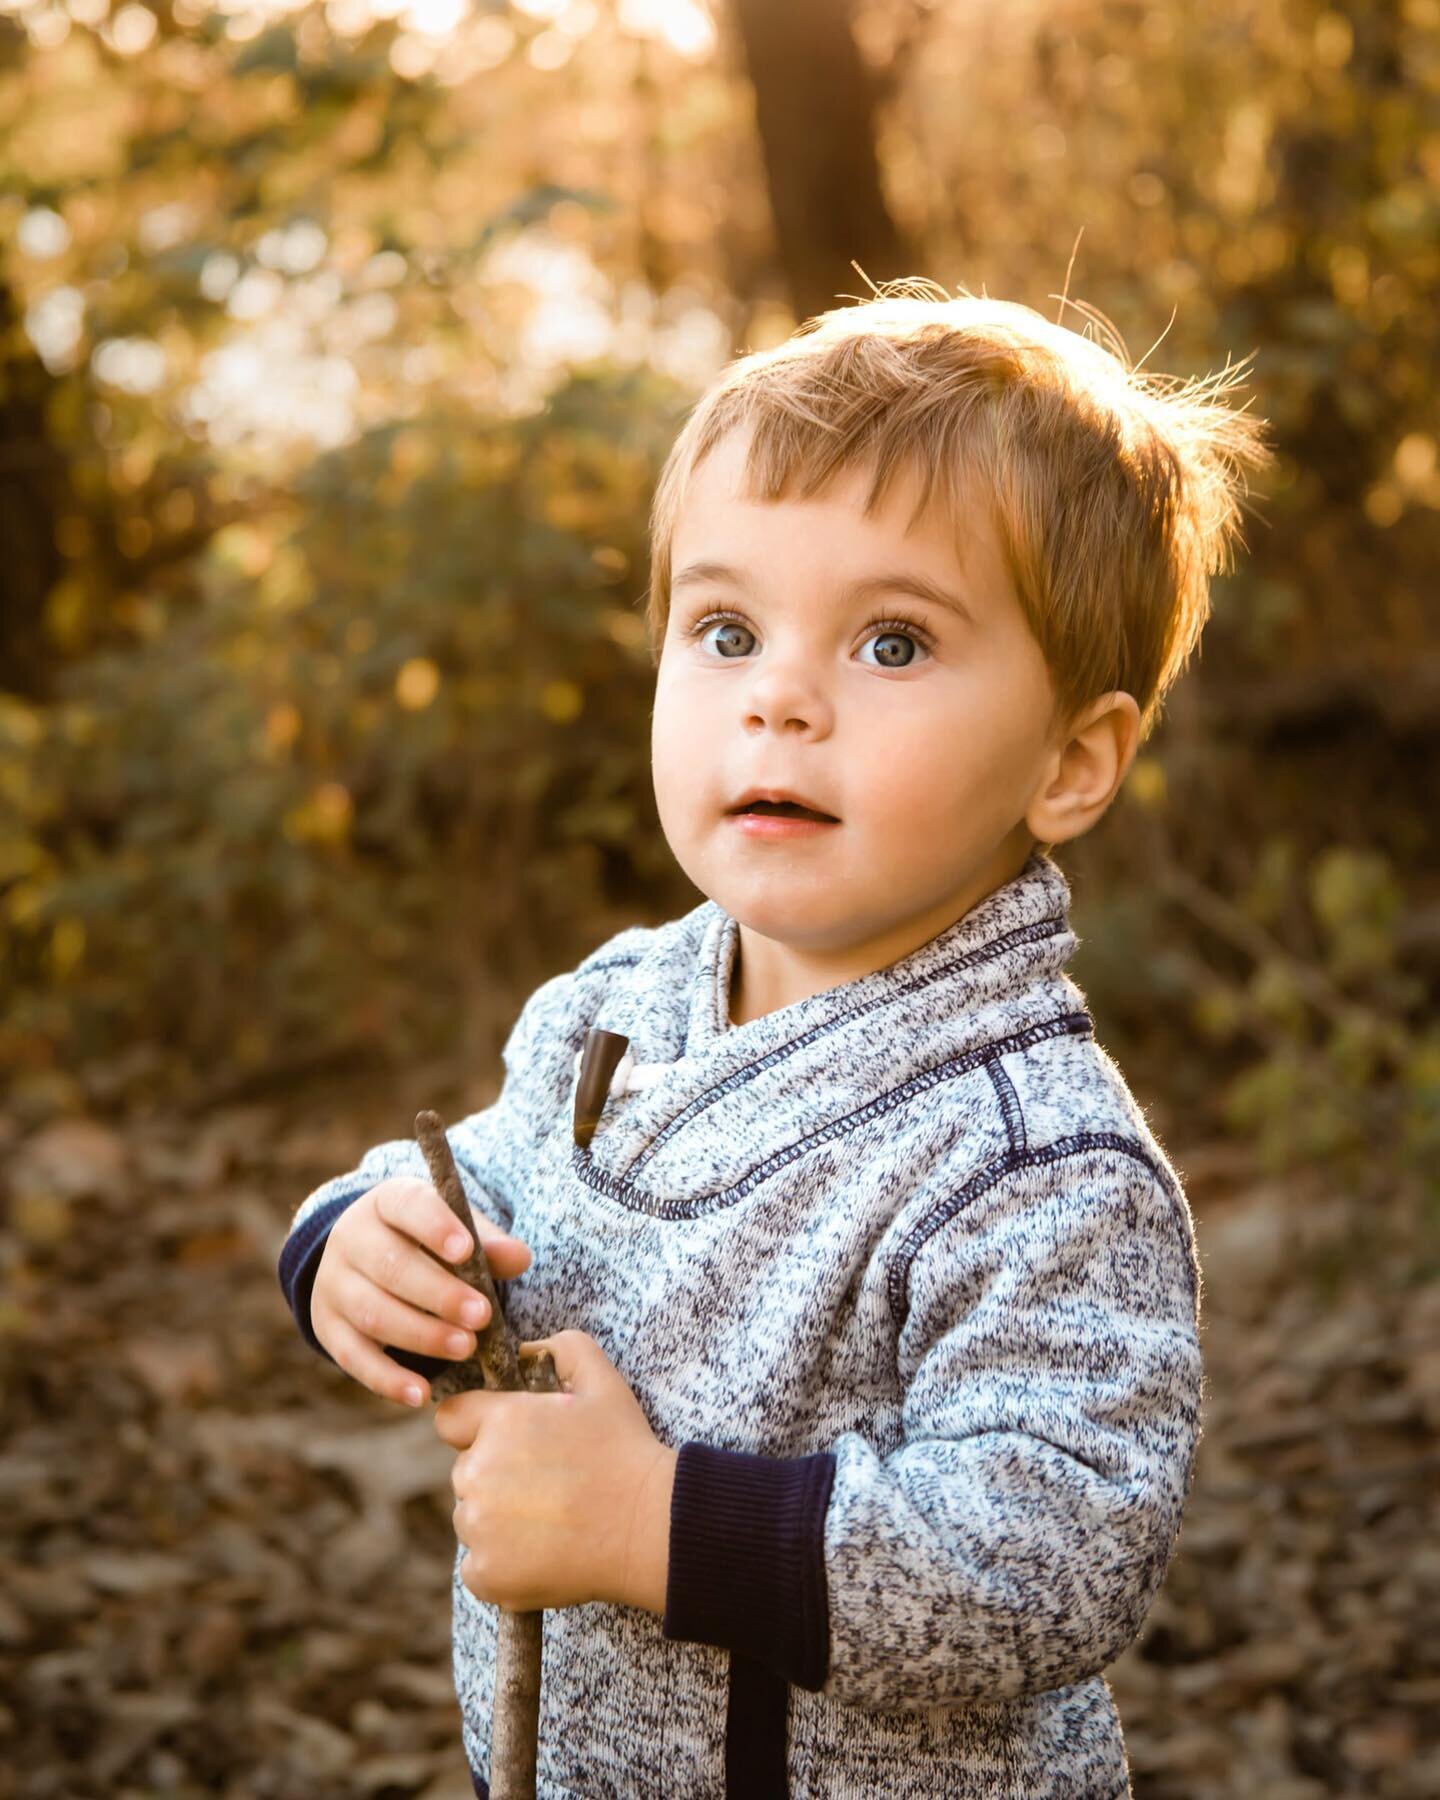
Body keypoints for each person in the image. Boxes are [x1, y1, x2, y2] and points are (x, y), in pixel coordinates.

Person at [277, 280, 1272, 1799]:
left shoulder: (1033, 1156)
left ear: (1072, 762)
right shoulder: (613, 1006)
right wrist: (365, 1241)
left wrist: (649, 1524)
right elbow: (482, 1187)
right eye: (727, 629)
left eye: (891, 645)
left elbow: (1050, 1564)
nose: (780, 702)